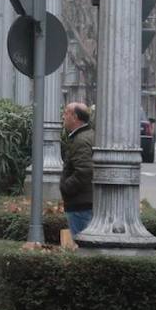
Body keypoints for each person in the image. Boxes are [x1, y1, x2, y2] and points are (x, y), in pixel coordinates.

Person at [60, 102, 94, 238]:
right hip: (83, 202)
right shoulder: (86, 135)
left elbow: (84, 170)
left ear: (75, 117)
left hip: (81, 204)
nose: (63, 117)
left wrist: (66, 187)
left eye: (66, 113)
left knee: (82, 245)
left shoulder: (81, 140)